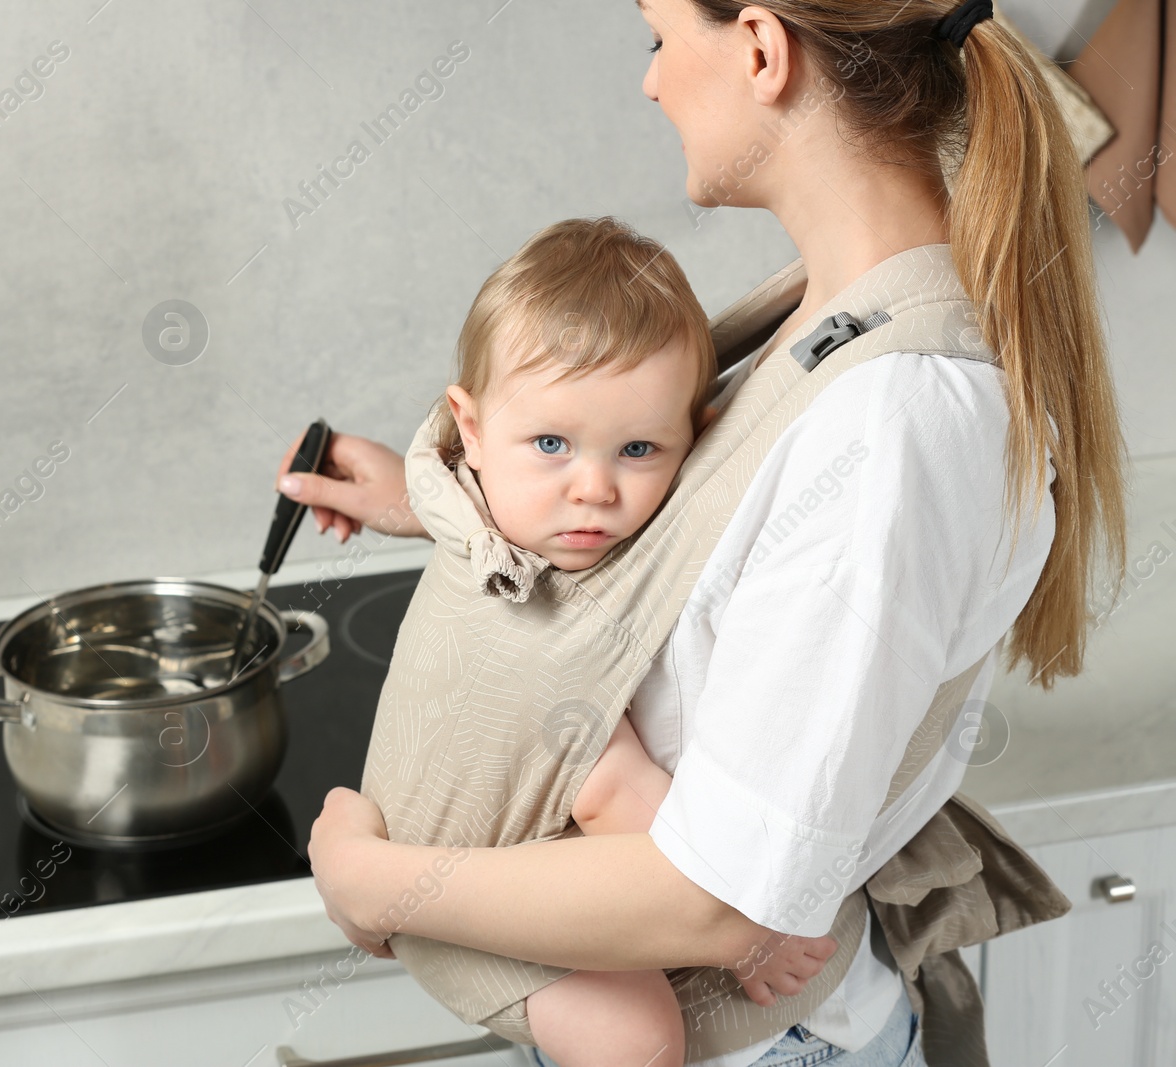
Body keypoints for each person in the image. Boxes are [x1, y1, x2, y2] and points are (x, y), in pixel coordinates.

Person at [278, 0, 1126, 1064]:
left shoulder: (892, 424)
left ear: (762, 49)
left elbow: (717, 904)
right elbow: (710, 553)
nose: (650, 79)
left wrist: (378, 881)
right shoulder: (827, 320)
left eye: (657, 36)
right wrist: (443, 503)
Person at [364, 215, 835, 1067]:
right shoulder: (543, 611)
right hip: (463, 907)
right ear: (468, 428)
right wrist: (751, 935)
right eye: (551, 444)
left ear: (696, 432)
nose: (594, 490)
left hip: (412, 858)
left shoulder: (459, 502)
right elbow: (611, 793)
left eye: (640, 449)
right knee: (639, 1039)